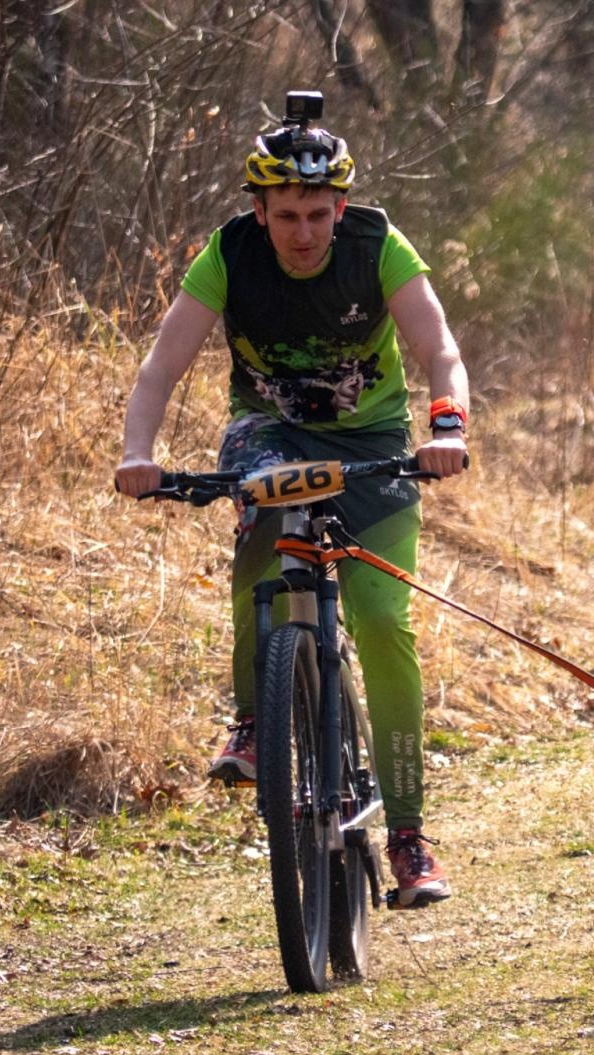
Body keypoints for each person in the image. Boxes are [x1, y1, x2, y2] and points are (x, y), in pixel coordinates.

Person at [114, 91, 470, 908]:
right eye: (286, 216)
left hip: (371, 440)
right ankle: (255, 718)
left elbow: (439, 348)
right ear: (260, 211)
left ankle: (408, 833)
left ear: (339, 207)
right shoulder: (229, 254)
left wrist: (446, 426)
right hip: (268, 434)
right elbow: (161, 367)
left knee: (380, 618)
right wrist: (138, 453)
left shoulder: (378, 245)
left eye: (317, 214)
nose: (303, 232)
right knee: (262, 557)